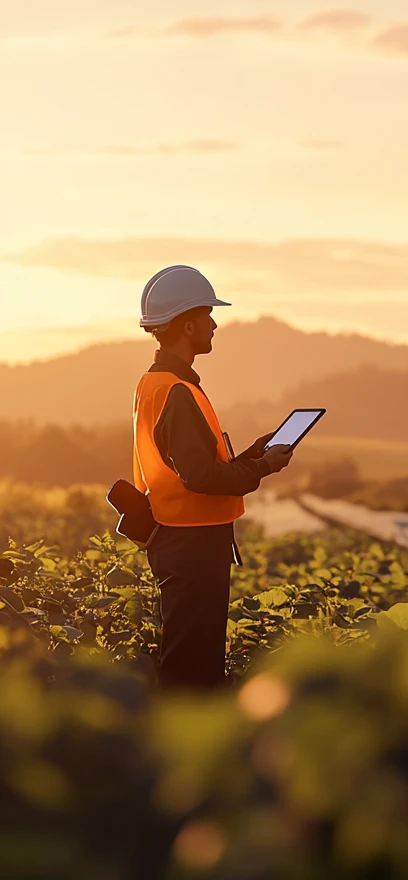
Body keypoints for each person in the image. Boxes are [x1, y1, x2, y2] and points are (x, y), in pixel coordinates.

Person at [132, 266, 293, 688]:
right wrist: (264, 466)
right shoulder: (178, 392)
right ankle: (184, 748)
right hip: (192, 545)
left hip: (179, 538)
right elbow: (201, 476)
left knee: (190, 656)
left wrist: (253, 454)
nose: (215, 324)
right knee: (193, 666)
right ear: (188, 324)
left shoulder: (157, 384)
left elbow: (194, 466)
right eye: (208, 315)